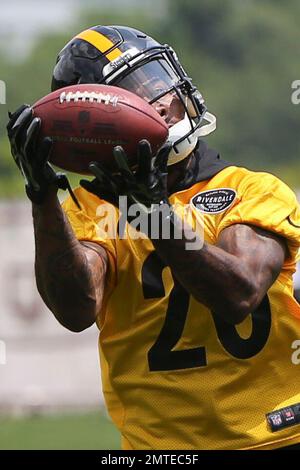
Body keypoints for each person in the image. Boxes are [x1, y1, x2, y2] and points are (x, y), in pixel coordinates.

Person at [7, 25, 300, 450]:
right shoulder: (87, 210)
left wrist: (153, 216)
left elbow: (238, 294)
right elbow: (75, 311)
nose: (162, 102)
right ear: (92, 127)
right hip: (159, 450)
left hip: (280, 436)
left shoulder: (253, 189)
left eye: (156, 81)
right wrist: (42, 196)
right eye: (134, 93)